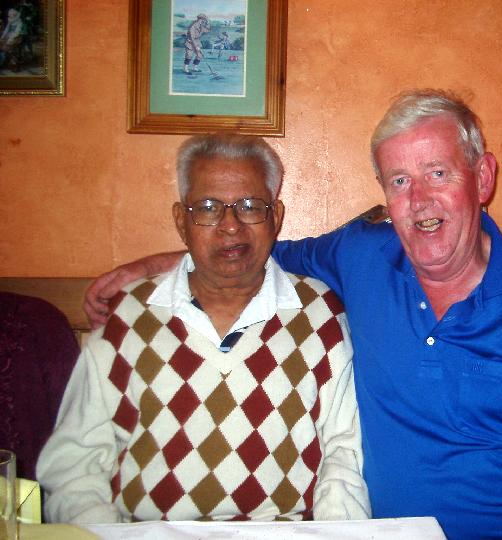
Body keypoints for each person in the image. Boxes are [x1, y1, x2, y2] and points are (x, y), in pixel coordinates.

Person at [83, 90, 502, 539]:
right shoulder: (362, 255)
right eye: (399, 181)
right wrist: (156, 265)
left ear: (483, 178)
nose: (418, 199)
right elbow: (254, 248)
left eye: (438, 173)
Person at [37, 133, 370, 524]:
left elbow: (344, 456)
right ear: (181, 221)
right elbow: (74, 467)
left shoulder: (319, 314)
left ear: (276, 217)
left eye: (250, 206)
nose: (230, 226)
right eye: (208, 208)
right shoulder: (127, 317)